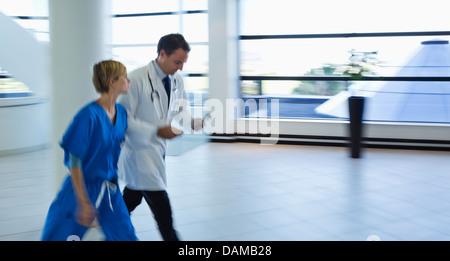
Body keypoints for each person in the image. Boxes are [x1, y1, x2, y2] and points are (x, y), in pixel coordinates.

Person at [118, 33, 203, 241]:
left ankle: (112, 228)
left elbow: (180, 110)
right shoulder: (135, 79)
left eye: (183, 63)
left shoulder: (176, 80)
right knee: (164, 216)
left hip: (157, 152)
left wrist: (191, 121)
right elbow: (121, 119)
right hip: (139, 153)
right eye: (177, 62)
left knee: (132, 197)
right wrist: (156, 130)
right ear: (162, 54)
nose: (181, 67)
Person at [41, 60, 138, 241]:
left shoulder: (122, 113)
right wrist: (84, 201)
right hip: (81, 188)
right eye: (124, 77)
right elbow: (75, 162)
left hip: (110, 189)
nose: (128, 80)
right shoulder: (87, 116)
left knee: (125, 234)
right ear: (112, 82)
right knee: (60, 235)